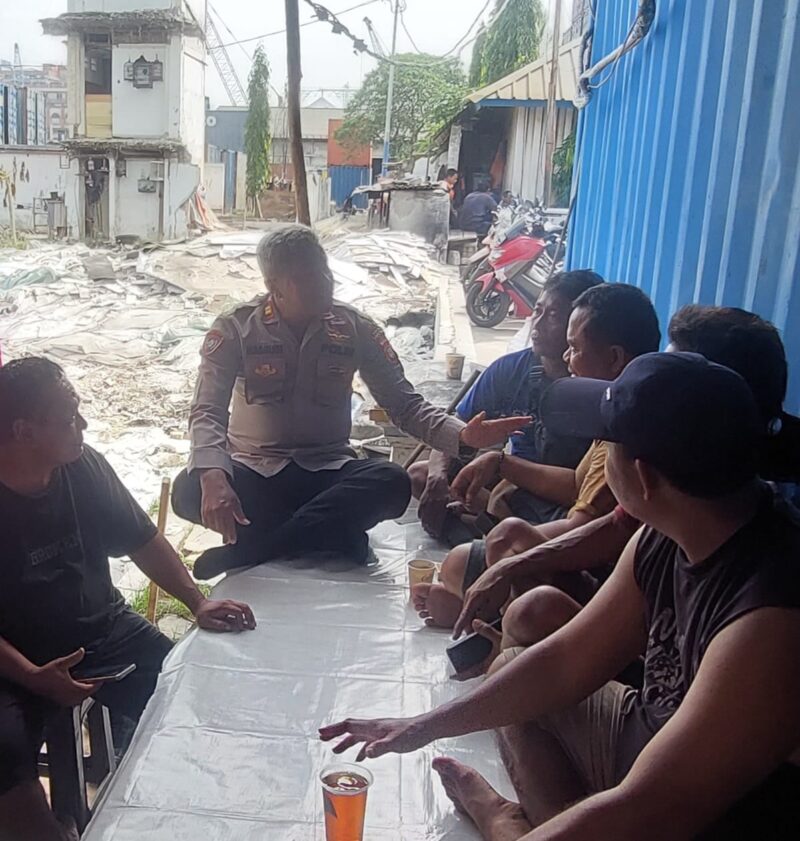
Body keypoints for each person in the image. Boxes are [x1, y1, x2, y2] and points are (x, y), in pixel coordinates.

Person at [321, 352, 800, 840]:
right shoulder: (671, 529)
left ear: (643, 478)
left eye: (604, 445)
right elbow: (567, 661)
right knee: (510, 669)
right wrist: (423, 725)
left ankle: (510, 829)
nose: (595, 456)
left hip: (708, 815)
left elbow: (651, 806)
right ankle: (516, 823)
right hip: (652, 744)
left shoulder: (771, 620)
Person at [173, 225, 526, 580]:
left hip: (328, 471)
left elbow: (404, 405)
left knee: (392, 481)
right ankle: (332, 535)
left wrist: (463, 438)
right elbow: (207, 411)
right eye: (307, 277)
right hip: (255, 470)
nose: (323, 282)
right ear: (274, 288)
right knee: (188, 489)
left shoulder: (355, 328)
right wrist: (214, 476)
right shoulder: (236, 328)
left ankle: (260, 547)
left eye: (324, 271)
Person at [0, 357, 256, 841]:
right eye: (70, 415)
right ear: (24, 431)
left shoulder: (83, 466)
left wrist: (196, 602)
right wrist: (32, 675)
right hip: (13, 662)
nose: (84, 425)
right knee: (4, 752)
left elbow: (142, 539)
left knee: (186, 691)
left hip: (100, 629)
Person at [452, 303, 800, 651]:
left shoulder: (764, 590)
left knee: (521, 608)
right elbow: (612, 525)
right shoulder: (664, 524)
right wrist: (510, 565)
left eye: (673, 372)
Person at [414, 283, 661, 628]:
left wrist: (512, 555)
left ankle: (486, 623)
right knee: (461, 533)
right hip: (570, 539)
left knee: (501, 555)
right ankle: (486, 608)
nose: (565, 357)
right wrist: (500, 462)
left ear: (615, 358)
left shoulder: (631, 434)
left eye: (573, 348)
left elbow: (588, 531)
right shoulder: (608, 413)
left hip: (600, 578)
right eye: (537, 311)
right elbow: (577, 485)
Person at [409, 270, 603, 542]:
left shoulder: (596, 388)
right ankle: (492, 529)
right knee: (421, 476)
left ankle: (489, 530)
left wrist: (501, 464)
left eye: (554, 316)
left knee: (569, 522)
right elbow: (453, 428)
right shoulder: (512, 368)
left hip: (557, 489)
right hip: (510, 479)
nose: (537, 323)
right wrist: (439, 476)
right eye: (537, 310)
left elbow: (582, 487)